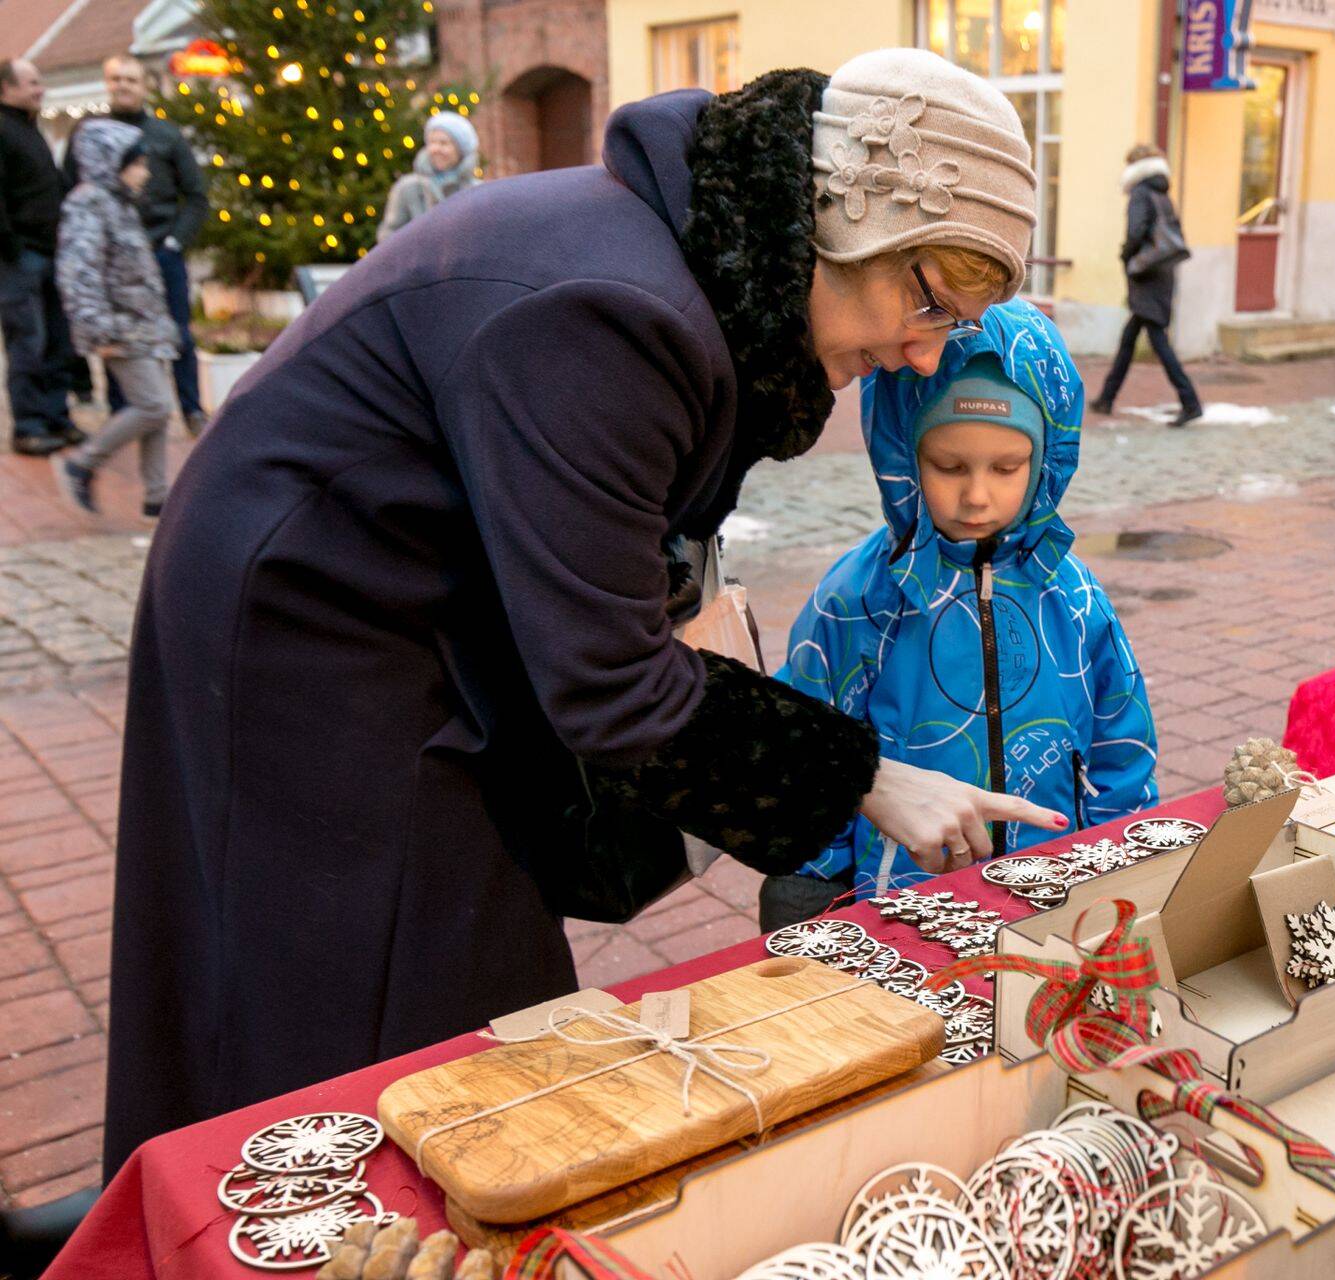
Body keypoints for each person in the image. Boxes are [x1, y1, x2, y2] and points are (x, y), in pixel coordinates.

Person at [104, 49, 1064, 1175]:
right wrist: (865, 776)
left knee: (451, 953)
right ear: (844, 216)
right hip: (316, 617)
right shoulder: (615, 312)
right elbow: (610, 683)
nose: (921, 348)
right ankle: (265, 1197)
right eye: (927, 299)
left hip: (407, 593)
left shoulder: (690, 274)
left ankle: (226, 1179)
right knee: (378, 974)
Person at [764, 302, 1158, 927]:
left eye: (1007, 468)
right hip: (901, 907)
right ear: (904, 453)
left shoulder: (1075, 598)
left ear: (1045, 460)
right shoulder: (856, 602)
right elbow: (813, 738)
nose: (977, 495)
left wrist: (1126, 856)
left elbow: (1119, 736)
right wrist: (812, 890)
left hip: (1051, 897)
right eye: (948, 466)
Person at [64, 55, 209, 435]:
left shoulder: (166, 135)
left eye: (130, 79)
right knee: (122, 341)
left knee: (178, 334)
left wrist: (176, 241)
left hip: (161, 250)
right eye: (116, 79)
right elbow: (71, 188)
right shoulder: (89, 134)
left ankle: (191, 408)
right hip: (113, 258)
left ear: (144, 85)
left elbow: (195, 195)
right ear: (107, 83)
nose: (123, 86)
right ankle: (123, 413)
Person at [54, 120, 177, 518]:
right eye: (138, 163)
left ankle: (158, 496)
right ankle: (84, 462)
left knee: (157, 410)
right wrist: (98, 328)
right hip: (120, 327)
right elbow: (79, 272)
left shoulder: (118, 204)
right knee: (154, 405)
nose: (145, 172)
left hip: (142, 324)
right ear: (112, 163)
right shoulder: (89, 204)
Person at [0, 59, 81, 456]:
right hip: (22, 258)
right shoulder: (2, 130)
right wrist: (11, 247)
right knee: (28, 343)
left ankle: (55, 417)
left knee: (57, 341)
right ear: (6, 89)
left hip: (50, 253)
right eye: (33, 82)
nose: (41, 88)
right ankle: (28, 426)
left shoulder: (29, 129)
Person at [1089, 144, 1202, 427]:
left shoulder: (1141, 193)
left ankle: (1191, 402)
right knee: (1130, 338)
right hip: (1162, 273)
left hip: (1146, 274)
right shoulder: (1162, 192)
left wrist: (1126, 256)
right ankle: (1106, 397)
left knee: (1157, 339)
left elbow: (1136, 231)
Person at [378, 110, 480, 241]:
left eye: (443, 143)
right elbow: (388, 236)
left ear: (460, 150)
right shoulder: (408, 187)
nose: (435, 149)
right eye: (432, 142)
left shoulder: (476, 190)